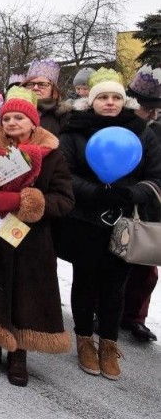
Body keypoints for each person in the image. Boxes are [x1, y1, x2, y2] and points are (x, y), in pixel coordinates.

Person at [0, 86, 74, 387]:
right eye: (6, 118)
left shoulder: (53, 154)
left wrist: (23, 201)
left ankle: (20, 354)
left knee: (26, 295)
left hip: (33, 241)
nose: (11, 123)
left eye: (19, 118)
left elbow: (64, 199)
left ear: (34, 123)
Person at [58, 69, 161, 380]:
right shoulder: (73, 130)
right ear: (91, 101)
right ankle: (85, 340)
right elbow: (65, 174)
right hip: (84, 219)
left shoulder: (142, 131)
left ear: (124, 100)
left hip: (124, 222)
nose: (109, 102)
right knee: (85, 281)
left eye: (116, 96)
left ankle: (109, 343)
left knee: (116, 286)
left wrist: (129, 193)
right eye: (102, 97)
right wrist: (97, 193)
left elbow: (156, 176)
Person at [121, 65, 161, 343]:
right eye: (145, 106)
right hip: (116, 201)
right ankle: (105, 310)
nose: (150, 112)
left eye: (154, 107)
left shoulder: (157, 131)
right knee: (114, 262)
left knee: (146, 269)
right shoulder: (117, 125)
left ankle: (136, 317)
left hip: (149, 205)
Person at [23, 59, 71, 136]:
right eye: (30, 84)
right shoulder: (10, 112)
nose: (35, 88)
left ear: (53, 89)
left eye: (42, 84)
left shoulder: (63, 116)